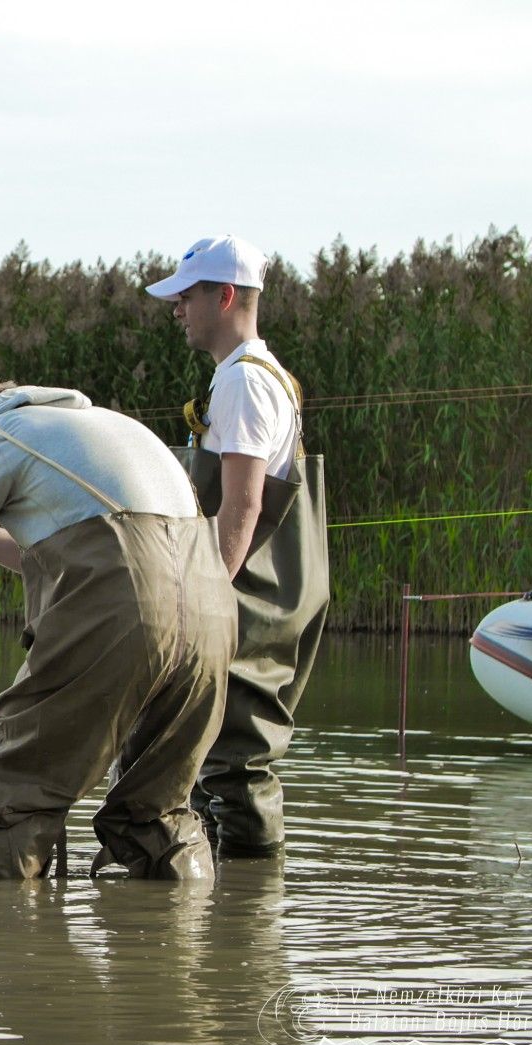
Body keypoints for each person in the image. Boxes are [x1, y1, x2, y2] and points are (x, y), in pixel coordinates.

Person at [0, 382, 236, 880]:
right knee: (157, 811)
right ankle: (181, 938)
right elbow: (52, 550)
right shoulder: (109, 426)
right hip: (212, 609)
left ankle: (12, 940)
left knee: (9, 797)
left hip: (125, 602)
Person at [146, 235, 329, 857]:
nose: (178, 309)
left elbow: (244, 504)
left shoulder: (244, 385)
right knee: (217, 761)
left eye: (187, 295)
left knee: (233, 764)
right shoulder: (262, 376)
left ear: (225, 296)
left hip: (247, 599)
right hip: (267, 593)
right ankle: (225, 921)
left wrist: (206, 604)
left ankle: (247, 920)